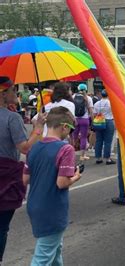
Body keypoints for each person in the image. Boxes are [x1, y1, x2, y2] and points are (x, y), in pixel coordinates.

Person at [23, 107, 81, 265]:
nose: (70, 132)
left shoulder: (34, 148)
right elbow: (62, 183)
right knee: (43, 257)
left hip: (34, 204)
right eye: (71, 129)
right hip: (53, 207)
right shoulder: (66, 149)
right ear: (64, 127)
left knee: (55, 247)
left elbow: (25, 179)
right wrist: (75, 177)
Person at [0, 77, 46, 263]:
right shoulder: (12, 118)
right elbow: (25, 148)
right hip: (5, 177)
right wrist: (38, 128)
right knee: (2, 227)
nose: (16, 95)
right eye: (13, 91)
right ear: (3, 94)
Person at [93, 90, 115, 165]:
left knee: (99, 140)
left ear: (101, 95)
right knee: (108, 141)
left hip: (99, 121)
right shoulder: (111, 103)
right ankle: (107, 159)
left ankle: (98, 158)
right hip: (108, 121)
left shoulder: (96, 103)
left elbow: (94, 114)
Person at [73, 84, 94, 161]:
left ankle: (72, 153)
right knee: (83, 137)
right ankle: (82, 155)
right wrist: (93, 120)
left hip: (75, 119)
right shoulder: (88, 98)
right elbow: (91, 111)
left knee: (74, 136)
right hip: (84, 120)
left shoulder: (74, 96)